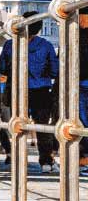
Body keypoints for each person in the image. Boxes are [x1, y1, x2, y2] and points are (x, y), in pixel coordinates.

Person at [27, 30, 60, 172]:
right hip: (41, 89)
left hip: (17, 89)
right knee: (42, 126)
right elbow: (55, 70)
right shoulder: (46, 45)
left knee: (14, 125)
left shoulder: (10, 45)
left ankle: (16, 159)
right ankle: (46, 161)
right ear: (39, 28)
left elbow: (3, 67)